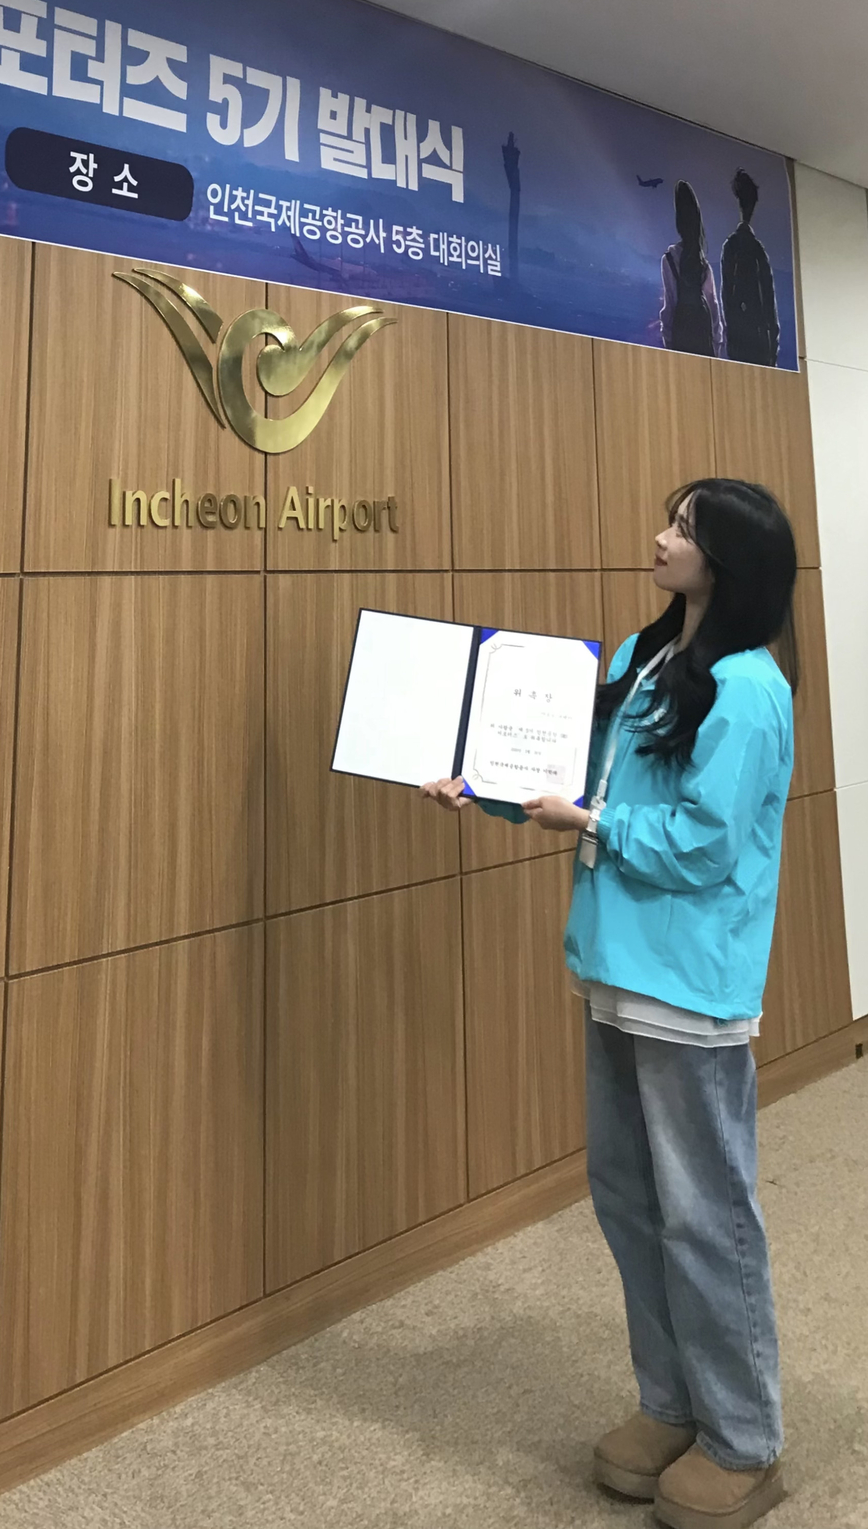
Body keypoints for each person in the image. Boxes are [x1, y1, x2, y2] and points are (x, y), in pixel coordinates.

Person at [424, 478, 797, 1529]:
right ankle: (670, 1404)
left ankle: (742, 1438)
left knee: (704, 1217)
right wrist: (480, 784)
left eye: (681, 530)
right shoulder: (641, 662)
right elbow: (572, 777)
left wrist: (587, 825)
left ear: (725, 561)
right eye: (669, 522)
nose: (658, 539)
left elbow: (701, 844)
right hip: (611, 974)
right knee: (631, 1203)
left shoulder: (747, 688)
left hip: (688, 991)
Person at [721, 171, 780, 367]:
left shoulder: (734, 247)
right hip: (756, 337)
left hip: (743, 336)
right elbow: (768, 301)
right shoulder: (756, 250)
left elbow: (727, 297)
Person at [660, 182, 726, 357]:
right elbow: (713, 307)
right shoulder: (703, 263)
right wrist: (717, 345)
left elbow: (670, 303)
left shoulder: (669, 259)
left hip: (682, 330)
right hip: (703, 331)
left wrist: (668, 340)